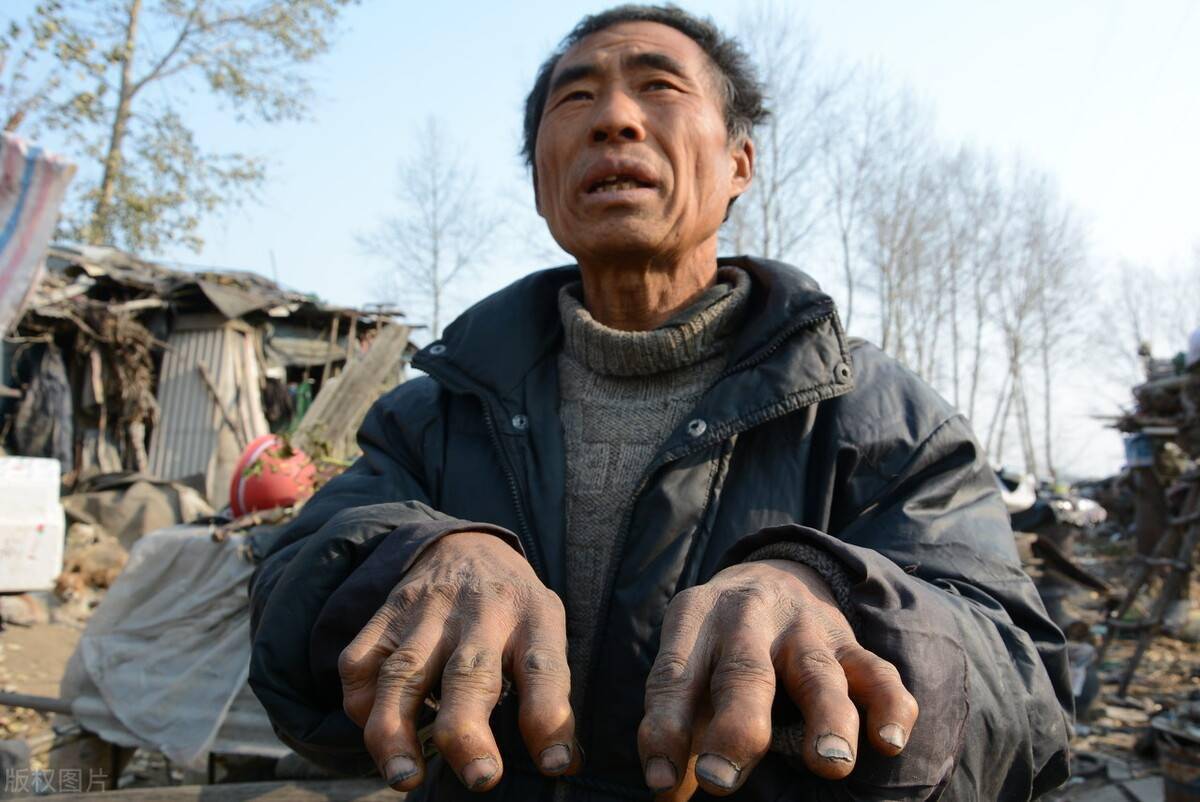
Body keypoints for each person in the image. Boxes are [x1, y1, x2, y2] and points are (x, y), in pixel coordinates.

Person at [248, 6, 1072, 800]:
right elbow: (289, 614)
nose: (613, 119)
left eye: (659, 87)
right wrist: (418, 556)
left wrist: (833, 597)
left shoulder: (873, 411)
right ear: (541, 182)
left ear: (739, 164)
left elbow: (1026, 698)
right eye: (576, 98)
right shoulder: (434, 415)